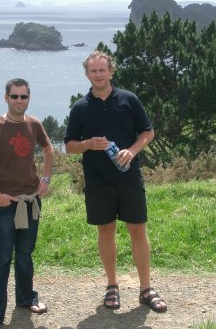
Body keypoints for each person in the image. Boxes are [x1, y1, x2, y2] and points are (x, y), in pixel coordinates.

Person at [64, 51, 167, 312]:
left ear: (111, 71)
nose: (98, 75)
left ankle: (146, 289)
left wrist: (132, 151)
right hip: (98, 180)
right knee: (106, 231)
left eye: (102, 70)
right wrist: (87, 144)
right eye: (93, 71)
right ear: (87, 74)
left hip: (129, 177)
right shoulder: (80, 107)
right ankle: (112, 286)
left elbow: (148, 132)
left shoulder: (128, 100)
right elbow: (69, 147)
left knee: (138, 232)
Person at [0, 78, 54, 329]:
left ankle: (26, 298)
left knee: (24, 254)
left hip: (30, 202)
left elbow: (48, 150)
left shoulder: (34, 124)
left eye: (23, 97)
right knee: (1, 259)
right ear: (6, 98)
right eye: (14, 96)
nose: (19, 101)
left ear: (29, 98)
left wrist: (45, 179)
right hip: (4, 205)